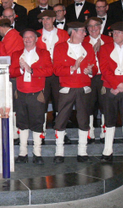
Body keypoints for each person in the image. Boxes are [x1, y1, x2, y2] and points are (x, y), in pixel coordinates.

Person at [52, 22, 97, 163]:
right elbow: (57, 70)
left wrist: (91, 71)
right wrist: (73, 67)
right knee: (61, 119)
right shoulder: (60, 47)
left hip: (84, 87)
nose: (85, 34)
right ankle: (59, 152)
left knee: (84, 120)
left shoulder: (88, 47)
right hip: (67, 87)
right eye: (83, 31)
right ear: (73, 32)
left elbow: (95, 67)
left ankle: (82, 152)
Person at [10, 29, 53, 164]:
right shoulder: (16, 54)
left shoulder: (44, 53)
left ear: (36, 39)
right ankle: (22, 153)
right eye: (25, 37)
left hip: (37, 93)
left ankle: (37, 153)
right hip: (21, 92)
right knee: (21, 124)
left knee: (37, 123)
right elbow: (11, 72)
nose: (27, 39)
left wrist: (31, 70)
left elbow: (50, 70)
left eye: (30, 37)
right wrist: (21, 69)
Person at [36, 10, 70, 143]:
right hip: (43, 73)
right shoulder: (37, 34)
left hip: (58, 73)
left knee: (60, 103)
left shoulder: (63, 34)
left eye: (48, 19)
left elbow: (68, 51)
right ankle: (41, 132)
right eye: (43, 19)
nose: (46, 21)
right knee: (41, 103)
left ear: (54, 19)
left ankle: (61, 131)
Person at [84, 17, 113, 144]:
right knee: (88, 105)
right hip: (89, 77)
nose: (93, 28)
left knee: (105, 105)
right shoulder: (83, 41)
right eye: (90, 26)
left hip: (105, 77)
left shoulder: (109, 40)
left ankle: (104, 132)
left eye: (96, 25)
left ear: (100, 26)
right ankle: (90, 132)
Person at [98, 22, 123, 162]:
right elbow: (104, 68)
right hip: (110, 88)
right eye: (113, 33)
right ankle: (108, 150)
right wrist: (116, 84)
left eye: (118, 33)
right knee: (109, 119)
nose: (115, 35)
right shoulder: (105, 48)